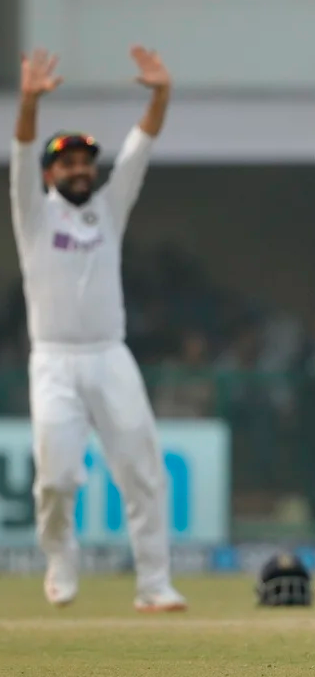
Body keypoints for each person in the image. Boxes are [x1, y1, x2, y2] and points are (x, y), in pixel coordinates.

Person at [10, 47, 186, 611]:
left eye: (86, 160)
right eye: (67, 162)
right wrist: (30, 103)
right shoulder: (32, 213)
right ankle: (60, 557)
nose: (80, 168)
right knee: (57, 480)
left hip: (111, 355)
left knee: (143, 471)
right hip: (54, 361)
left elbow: (139, 150)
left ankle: (154, 584)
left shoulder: (109, 208)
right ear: (50, 173)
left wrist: (160, 94)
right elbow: (19, 153)